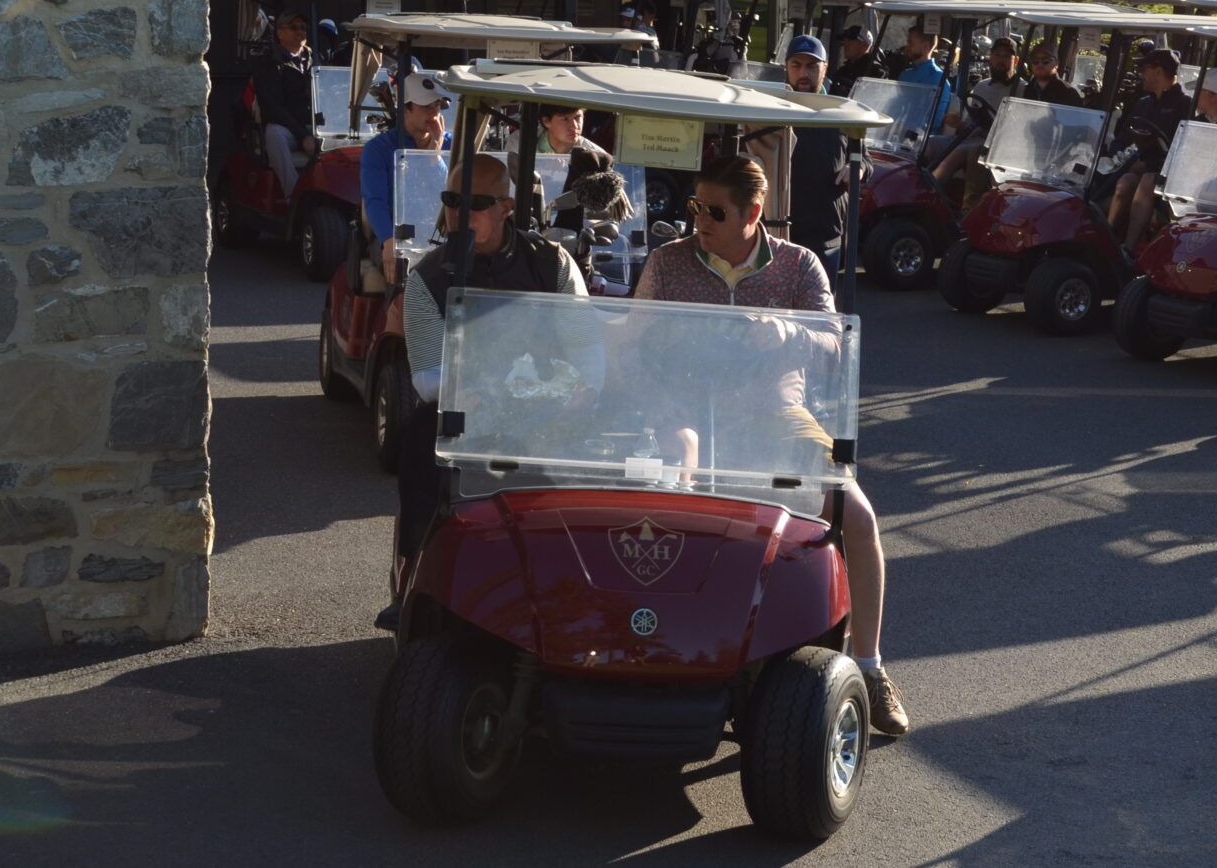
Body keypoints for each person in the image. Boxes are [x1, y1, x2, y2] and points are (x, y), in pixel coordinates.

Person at [634, 155, 910, 736]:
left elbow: (834, 340)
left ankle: (869, 665)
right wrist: (665, 386)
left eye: (714, 211)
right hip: (684, 415)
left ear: (753, 213)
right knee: (656, 508)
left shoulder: (798, 265)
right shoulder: (668, 262)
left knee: (857, 517)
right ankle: (656, 649)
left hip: (776, 416)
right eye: (694, 207)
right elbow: (635, 345)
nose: (699, 221)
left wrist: (787, 330)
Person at [378, 154, 593, 632]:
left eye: (476, 202)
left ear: (506, 207)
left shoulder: (551, 263)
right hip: (470, 406)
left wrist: (573, 390)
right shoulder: (429, 277)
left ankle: (583, 582)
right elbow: (426, 377)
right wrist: (469, 389)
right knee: (418, 443)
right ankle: (412, 576)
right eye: (452, 200)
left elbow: (586, 346)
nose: (460, 212)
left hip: (547, 403)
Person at [777, 34, 858, 273]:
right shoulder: (770, 108)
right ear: (787, 67)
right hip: (779, 230)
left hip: (825, 234)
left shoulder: (842, 110)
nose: (804, 73)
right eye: (796, 65)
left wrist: (857, 167)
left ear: (824, 68)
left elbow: (864, 156)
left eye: (812, 66)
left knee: (822, 308)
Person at [360, 72, 451, 279]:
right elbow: (375, 200)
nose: (434, 114)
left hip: (439, 234)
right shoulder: (379, 149)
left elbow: (451, 196)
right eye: (425, 107)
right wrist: (389, 240)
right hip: (396, 234)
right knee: (407, 274)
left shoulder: (451, 145)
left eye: (436, 106)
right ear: (405, 110)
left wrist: (435, 159)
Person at [1103, 49, 1190, 256]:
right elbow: (1123, 138)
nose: (1141, 74)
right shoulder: (1143, 104)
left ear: (1158, 72)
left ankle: (1129, 249)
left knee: (1147, 181)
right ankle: (1106, 242)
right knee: (1124, 183)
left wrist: (1146, 164)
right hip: (1137, 167)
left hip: (1167, 175)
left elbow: (1182, 151)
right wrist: (1116, 155)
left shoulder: (1185, 106)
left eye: (1145, 69)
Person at [930, 35, 1024, 193]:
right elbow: (967, 126)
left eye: (1006, 56)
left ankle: (929, 190)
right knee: (926, 143)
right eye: (997, 55)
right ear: (990, 58)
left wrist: (982, 130)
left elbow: (1017, 133)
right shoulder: (981, 86)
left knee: (958, 153)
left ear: (1015, 61)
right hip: (970, 140)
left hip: (997, 147)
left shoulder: (1021, 90)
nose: (1000, 60)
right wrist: (957, 124)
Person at [253, 10, 317, 198]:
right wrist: (303, 135)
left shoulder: (316, 59)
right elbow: (272, 107)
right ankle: (295, 196)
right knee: (274, 135)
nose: (300, 32)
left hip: (315, 125)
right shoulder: (269, 63)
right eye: (294, 28)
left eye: (303, 28)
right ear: (280, 33)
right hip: (288, 128)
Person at [828, 24, 889, 96]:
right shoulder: (843, 70)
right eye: (845, 41)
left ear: (865, 45)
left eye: (850, 41)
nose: (845, 45)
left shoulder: (877, 73)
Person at [1023, 42, 1084, 107]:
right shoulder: (1026, 90)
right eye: (1035, 60)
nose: (1040, 64)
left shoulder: (1069, 93)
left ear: (1056, 64)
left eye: (1046, 61)